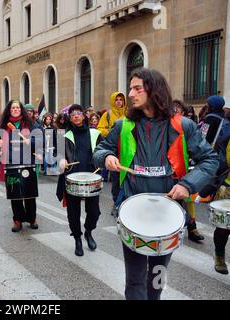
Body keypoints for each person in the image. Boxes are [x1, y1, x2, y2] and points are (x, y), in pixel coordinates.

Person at [93, 68, 218, 300]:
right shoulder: (124, 125)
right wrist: (106, 157)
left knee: (157, 278)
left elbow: (210, 159)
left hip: (167, 215)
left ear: (154, 90)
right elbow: (101, 150)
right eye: (130, 88)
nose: (130, 93)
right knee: (135, 280)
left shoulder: (184, 126)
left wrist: (188, 185)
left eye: (137, 88)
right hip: (132, 213)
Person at [56, 105, 102, 256]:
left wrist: (106, 159)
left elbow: (104, 150)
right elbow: (59, 154)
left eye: (78, 113)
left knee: (94, 211)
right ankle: (77, 238)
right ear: (70, 118)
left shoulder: (95, 134)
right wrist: (62, 160)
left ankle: (88, 231)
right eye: (72, 114)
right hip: (72, 176)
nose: (76, 116)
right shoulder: (65, 135)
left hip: (92, 175)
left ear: (84, 116)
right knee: (73, 212)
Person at [200, 109, 230, 275]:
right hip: (228, 191)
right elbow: (217, 166)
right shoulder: (226, 142)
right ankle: (219, 255)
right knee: (223, 230)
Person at [0, 100, 41, 232]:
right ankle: (17, 220)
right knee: (14, 194)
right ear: (9, 110)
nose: (15, 110)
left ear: (21, 109)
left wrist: (31, 141)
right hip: (11, 162)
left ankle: (32, 218)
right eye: (13, 108)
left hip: (27, 161)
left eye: (17, 107)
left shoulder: (30, 124)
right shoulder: (4, 125)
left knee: (29, 193)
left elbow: (39, 140)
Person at [173, 99, 205, 242]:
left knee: (189, 199)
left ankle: (192, 228)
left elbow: (198, 147)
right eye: (174, 110)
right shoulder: (168, 127)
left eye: (179, 111)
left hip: (186, 168)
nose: (176, 113)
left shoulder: (188, 127)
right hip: (171, 171)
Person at [97, 92, 128, 216]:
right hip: (114, 151)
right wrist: (112, 131)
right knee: (116, 180)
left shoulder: (129, 113)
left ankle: (125, 204)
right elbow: (100, 129)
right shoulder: (108, 114)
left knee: (127, 180)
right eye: (117, 100)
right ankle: (116, 203)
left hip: (128, 150)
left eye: (121, 99)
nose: (119, 102)